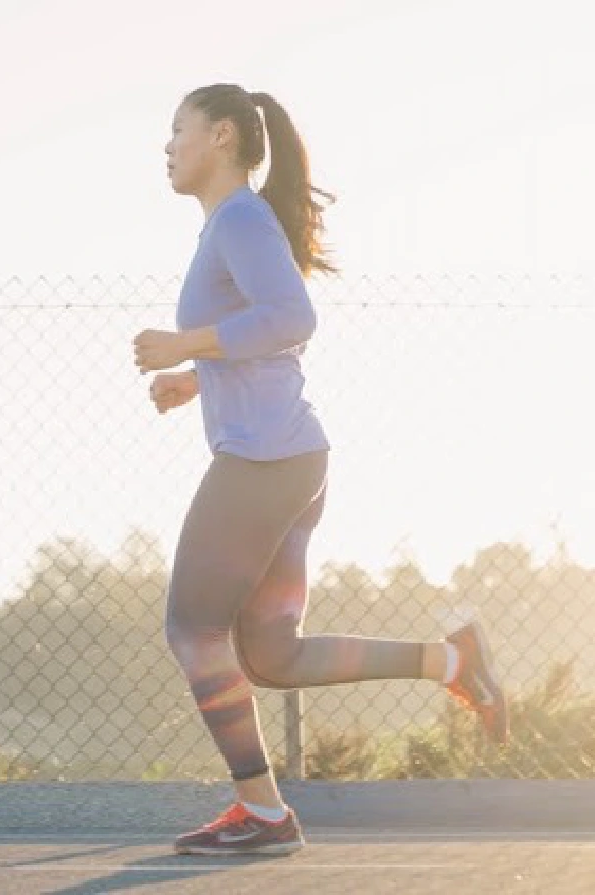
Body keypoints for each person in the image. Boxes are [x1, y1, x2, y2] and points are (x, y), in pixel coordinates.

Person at [132, 83, 508, 857]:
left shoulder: (239, 218)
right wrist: (196, 378)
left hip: (266, 460)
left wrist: (186, 344)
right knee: (272, 653)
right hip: (291, 458)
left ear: (223, 136)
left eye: (179, 129)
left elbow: (292, 317)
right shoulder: (231, 224)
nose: (167, 146)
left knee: (193, 627)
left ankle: (264, 812)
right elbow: (270, 337)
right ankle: (452, 659)